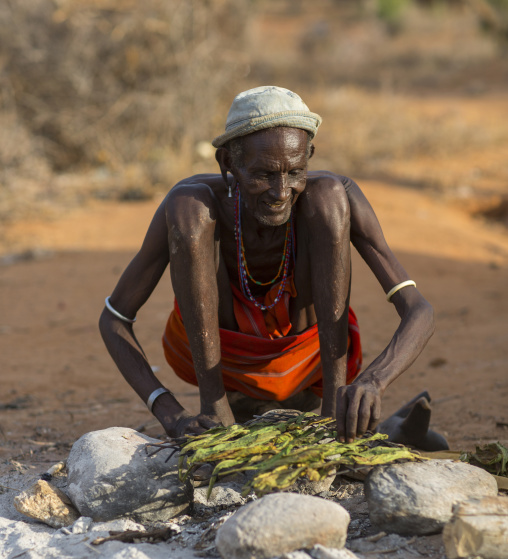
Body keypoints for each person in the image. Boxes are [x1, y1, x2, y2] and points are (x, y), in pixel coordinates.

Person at [99, 86, 434, 442]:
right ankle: (216, 409)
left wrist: (373, 380)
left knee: (329, 198)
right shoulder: (197, 203)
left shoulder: (332, 196)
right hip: (225, 376)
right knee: (188, 207)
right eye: (263, 175)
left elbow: (419, 310)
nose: (281, 192)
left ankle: (338, 413)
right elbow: (114, 319)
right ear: (229, 164)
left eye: (295, 172)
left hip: (307, 370)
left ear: (310, 156)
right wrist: (169, 411)